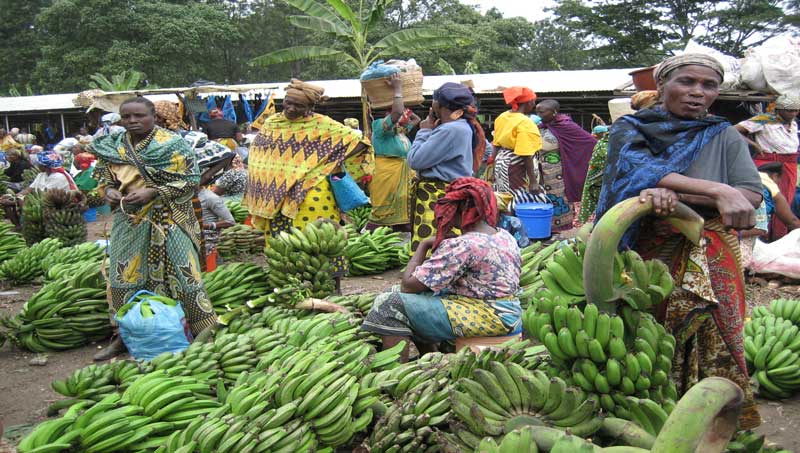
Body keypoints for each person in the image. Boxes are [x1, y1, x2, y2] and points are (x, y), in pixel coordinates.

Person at [595, 54, 763, 429]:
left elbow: (749, 194)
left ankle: (717, 425)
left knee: (715, 333)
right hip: (648, 251)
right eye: (686, 82)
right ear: (663, 85)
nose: (697, 93)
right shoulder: (632, 128)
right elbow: (635, 172)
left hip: (711, 247)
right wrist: (715, 189)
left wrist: (681, 196)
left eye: (708, 85)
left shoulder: (723, 134)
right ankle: (653, 420)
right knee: (650, 336)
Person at [89, 97, 215, 360]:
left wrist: (154, 192)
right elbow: (103, 176)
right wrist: (109, 191)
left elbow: (191, 181)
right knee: (123, 276)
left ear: (154, 117)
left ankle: (202, 332)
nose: (133, 121)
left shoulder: (171, 144)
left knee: (184, 275)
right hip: (130, 219)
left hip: (169, 218)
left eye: (139, 116)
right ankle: (124, 335)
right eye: (126, 117)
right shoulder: (112, 146)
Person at [362, 177, 522, 361]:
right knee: (408, 298)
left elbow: (408, 285)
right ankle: (432, 357)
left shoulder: (464, 245)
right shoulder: (504, 236)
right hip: (508, 311)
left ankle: (392, 374)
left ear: (462, 208)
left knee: (390, 303)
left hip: (487, 315)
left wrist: (423, 246)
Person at [244, 79, 373, 286]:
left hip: (312, 194)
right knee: (284, 241)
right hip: (278, 197)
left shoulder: (322, 125)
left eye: (298, 106)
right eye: (287, 103)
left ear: (310, 107)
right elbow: (259, 158)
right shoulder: (272, 124)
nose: (291, 108)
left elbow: (360, 143)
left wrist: (328, 162)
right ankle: (289, 285)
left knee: (321, 238)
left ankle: (332, 286)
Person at [406, 82, 486, 252]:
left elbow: (415, 160)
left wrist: (424, 131)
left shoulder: (450, 129)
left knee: (434, 246)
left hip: (437, 195)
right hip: (449, 192)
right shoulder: (462, 125)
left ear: (438, 104)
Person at [735, 94, 800, 239]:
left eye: (796, 111)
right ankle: (762, 236)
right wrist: (752, 144)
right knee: (765, 200)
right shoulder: (764, 119)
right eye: (789, 111)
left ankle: (778, 237)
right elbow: (732, 131)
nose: (793, 114)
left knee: (785, 201)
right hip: (768, 164)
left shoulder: (794, 123)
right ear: (778, 109)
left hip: (789, 166)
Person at [367, 73, 420, 230]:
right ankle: (369, 236)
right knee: (382, 213)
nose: (401, 115)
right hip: (387, 175)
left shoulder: (400, 131)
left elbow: (416, 120)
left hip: (403, 174)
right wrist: (397, 89)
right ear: (387, 114)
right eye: (398, 112)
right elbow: (396, 113)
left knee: (403, 214)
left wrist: (407, 110)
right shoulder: (379, 127)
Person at [536, 100, 597, 232]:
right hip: (543, 172)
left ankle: (562, 228)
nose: (539, 114)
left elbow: (589, 141)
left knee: (559, 198)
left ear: (554, 112)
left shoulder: (565, 125)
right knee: (545, 198)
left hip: (558, 172)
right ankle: (547, 228)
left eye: (542, 111)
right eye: (537, 111)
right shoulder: (543, 126)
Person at [0, 151, 78, 228]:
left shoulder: (58, 177)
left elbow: (47, 195)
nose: (37, 166)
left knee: (19, 202)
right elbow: (29, 189)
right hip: (40, 199)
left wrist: (17, 200)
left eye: (39, 164)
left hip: (55, 202)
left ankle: (31, 225)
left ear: (45, 166)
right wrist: (14, 196)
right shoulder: (41, 175)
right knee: (6, 200)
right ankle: (18, 225)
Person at [492, 86, 541, 192]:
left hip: (501, 162)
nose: (534, 105)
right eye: (534, 101)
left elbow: (496, 145)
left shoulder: (502, 117)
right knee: (520, 200)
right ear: (529, 102)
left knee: (504, 198)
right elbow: (526, 153)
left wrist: (493, 167)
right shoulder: (525, 122)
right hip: (518, 165)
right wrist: (533, 181)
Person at [577, 125, 609, 224]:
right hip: (597, 179)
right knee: (600, 200)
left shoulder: (603, 144)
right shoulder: (602, 144)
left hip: (599, 178)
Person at [198, 185, 235, 269]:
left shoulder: (210, 198)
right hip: (194, 237)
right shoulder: (189, 196)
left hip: (207, 239)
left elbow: (230, 221)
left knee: (208, 269)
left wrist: (206, 226)